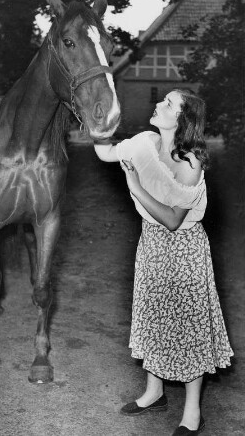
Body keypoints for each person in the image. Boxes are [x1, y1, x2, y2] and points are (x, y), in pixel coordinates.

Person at [94, 89, 233, 436]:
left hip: (184, 249)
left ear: (182, 120)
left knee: (189, 326)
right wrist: (98, 118)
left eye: (168, 104)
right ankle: (154, 392)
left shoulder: (191, 160)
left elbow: (173, 220)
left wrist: (135, 185)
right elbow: (106, 152)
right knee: (153, 316)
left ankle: (192, 412)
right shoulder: (144, 141)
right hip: (152, 245)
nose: (158, 104)